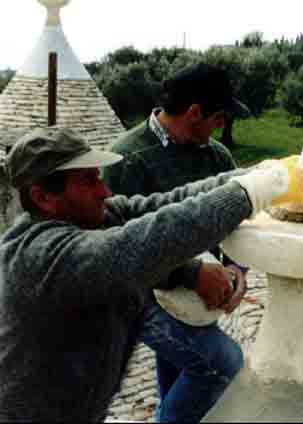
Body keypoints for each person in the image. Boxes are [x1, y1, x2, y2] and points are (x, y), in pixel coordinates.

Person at [0, 127, 303, 421]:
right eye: (88, 181)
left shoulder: (90, 218)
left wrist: (255, 174)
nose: (104, 191)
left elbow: (166, 205)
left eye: (98, 177)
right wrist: (253, 191)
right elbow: (150, 240)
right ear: (43, 197)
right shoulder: (40, 257)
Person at [102, 62, 252, 423]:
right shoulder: (125, 160)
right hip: (140, 298)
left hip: (196, 299)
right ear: (194, 112)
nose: (222, 127)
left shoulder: (217, 156)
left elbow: (237, 224)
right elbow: (114, 250)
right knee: (220, 365)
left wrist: (236, 269)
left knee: (183, 380)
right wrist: (192, 274)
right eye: (219, 118)